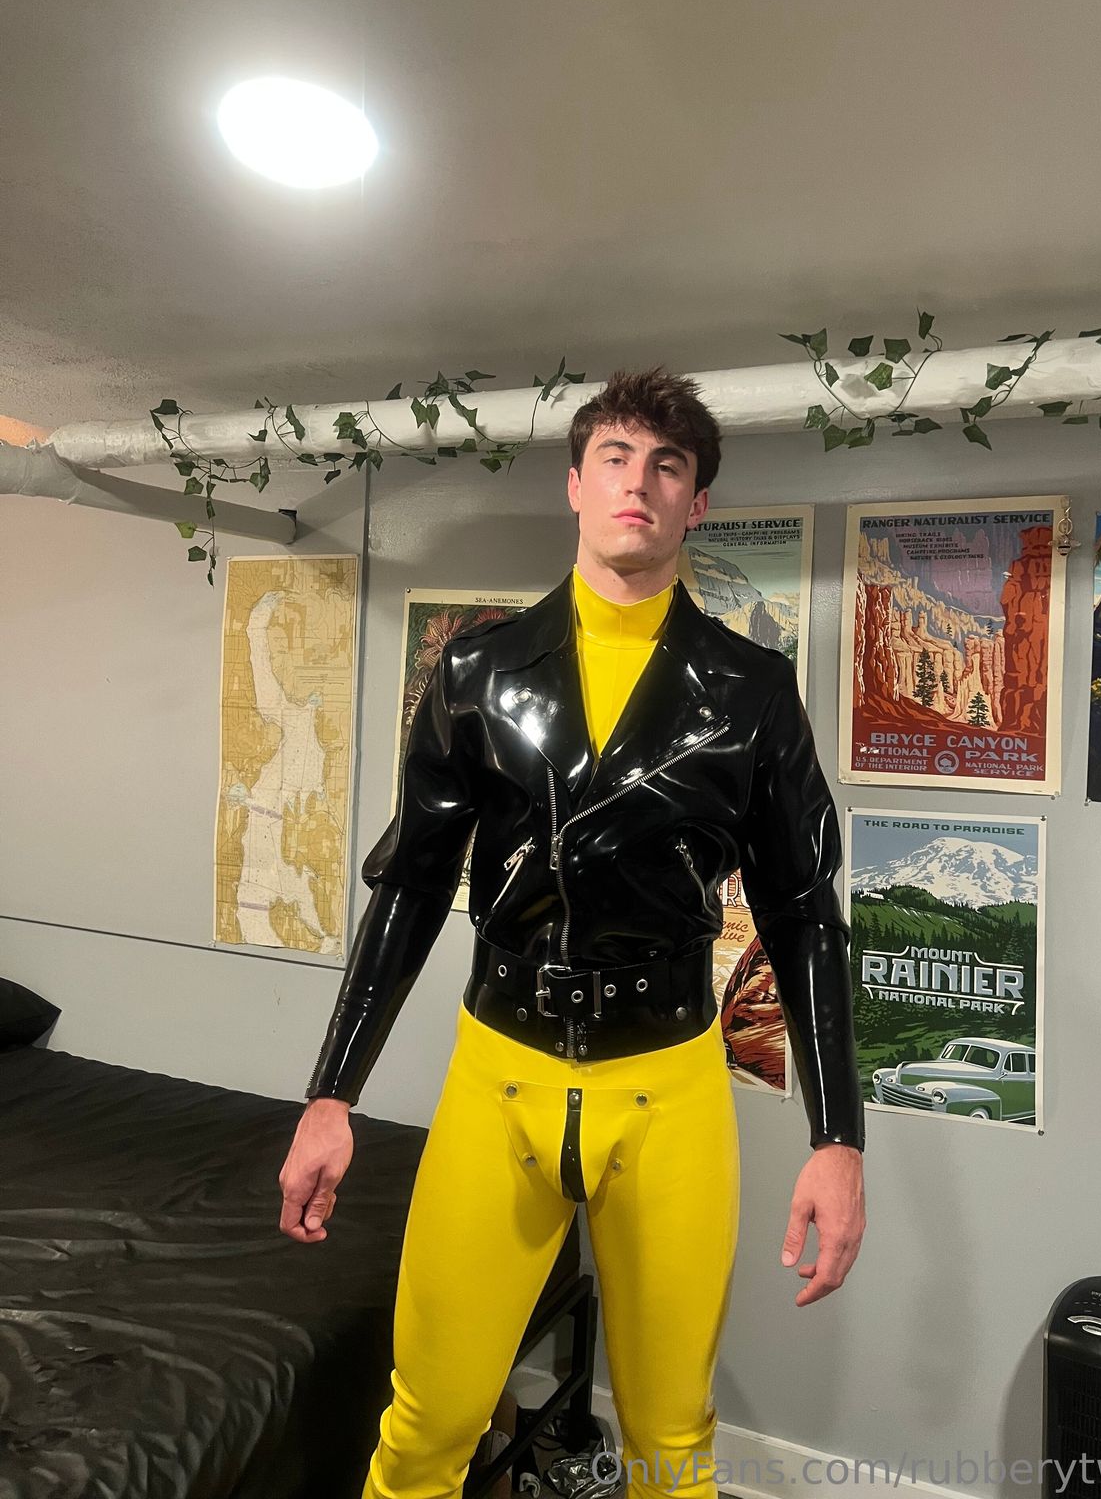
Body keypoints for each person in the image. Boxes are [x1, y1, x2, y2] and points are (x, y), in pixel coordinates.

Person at [278, 366, 867, 1499]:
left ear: (696, 503)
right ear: (576, 485)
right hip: (499, 1076)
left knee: (672, 1441)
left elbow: (804, 915)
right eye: (616, 457)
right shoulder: (478, 671)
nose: (638, 483)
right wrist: (330, 1093)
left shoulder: (750, 693)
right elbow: (411, 885)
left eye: (668, 465)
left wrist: (838, 1138)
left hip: (669, 1088)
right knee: (426, 1423)